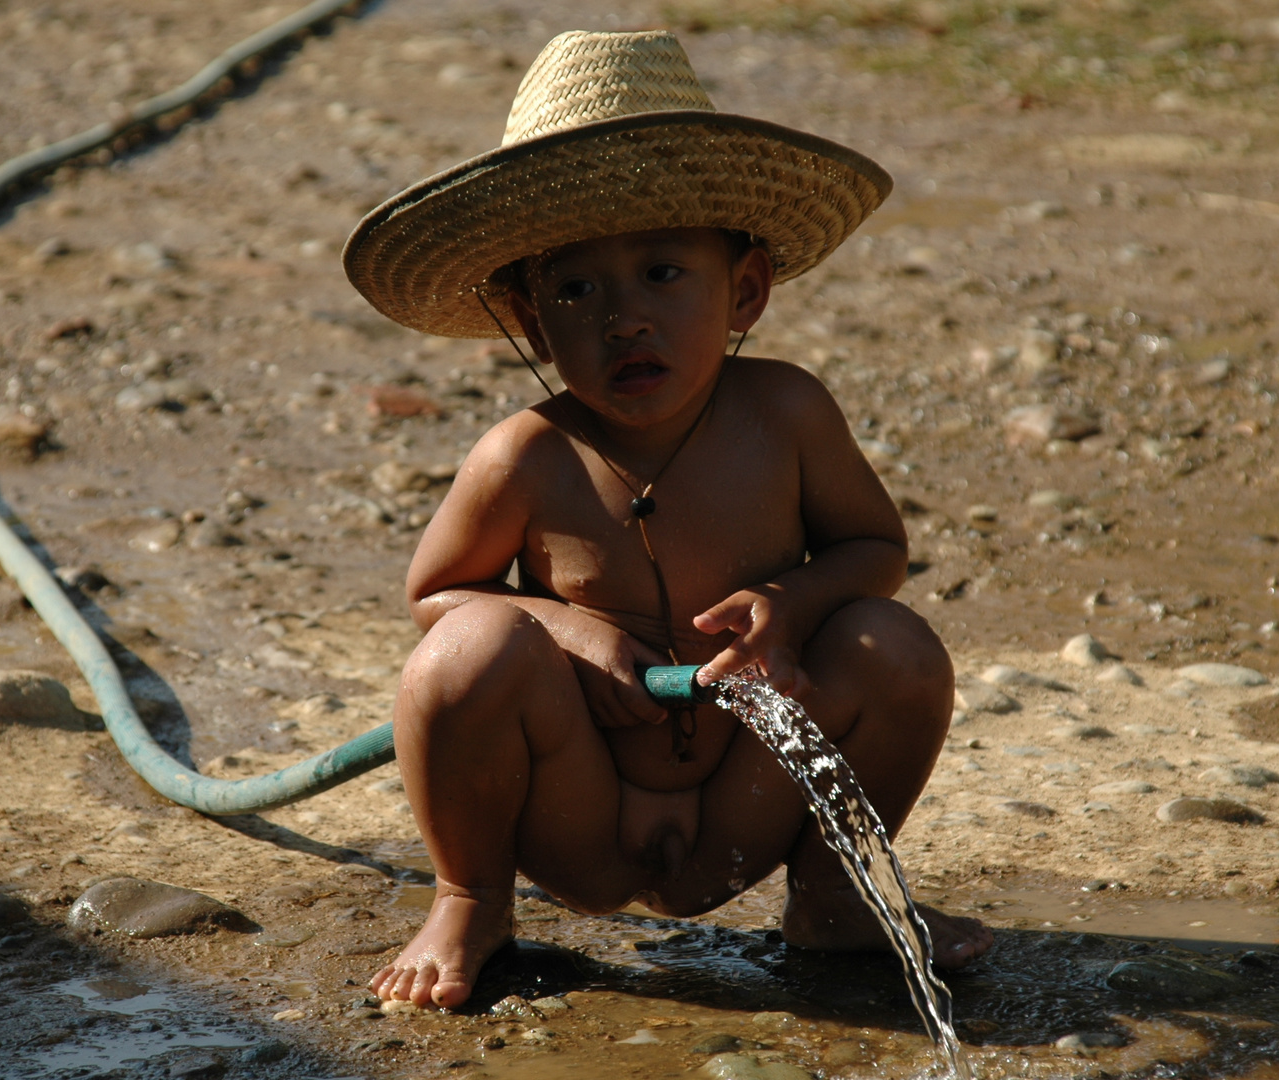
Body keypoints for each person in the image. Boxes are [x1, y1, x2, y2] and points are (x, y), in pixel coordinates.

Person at [340, 29, 993, 1010]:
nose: (622, 318)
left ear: (746, 291)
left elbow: (876, 548)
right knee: (465, 655)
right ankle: (470, 898)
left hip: (750, 791)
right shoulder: (528, 455)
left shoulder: (787, 414)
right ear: (528, 320)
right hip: (581, 810)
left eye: (662, 274)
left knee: (893, 645)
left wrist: (790, 599)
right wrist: (565, 625)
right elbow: (437, 592)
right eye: (574, 288)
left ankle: (834, 897)